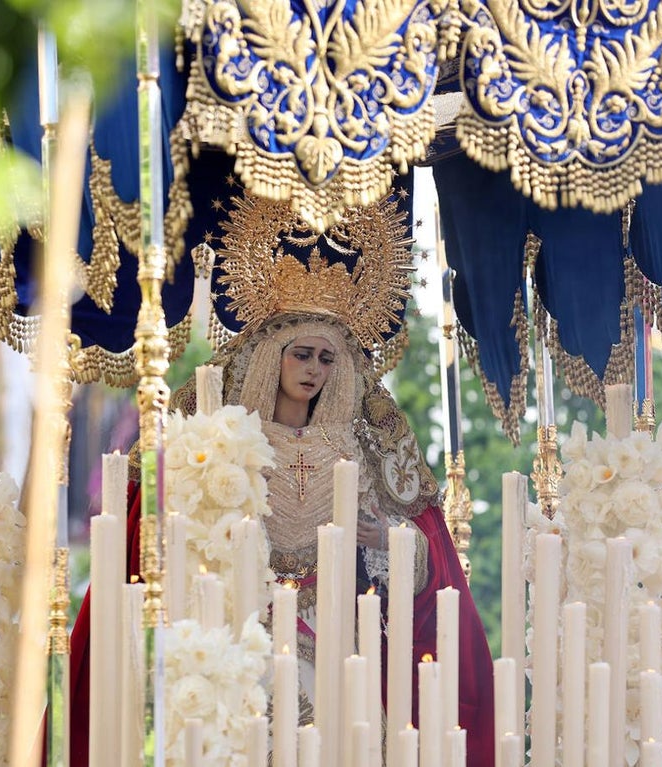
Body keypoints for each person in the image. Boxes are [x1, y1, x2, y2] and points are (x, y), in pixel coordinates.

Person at [68, 190, 495, 764]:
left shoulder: (357, 444)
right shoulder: (225, 437)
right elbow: (165, 534)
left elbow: (423, 553)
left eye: (326, 358)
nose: (314, 370)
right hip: (245, 632)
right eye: (302, 355)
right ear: (273, 356)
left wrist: (387, 542)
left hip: (341, 639)